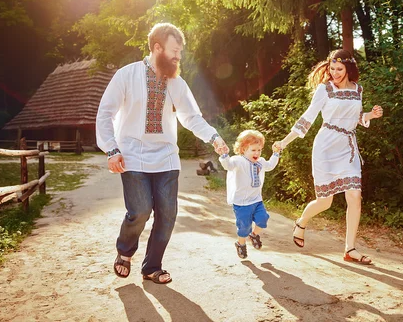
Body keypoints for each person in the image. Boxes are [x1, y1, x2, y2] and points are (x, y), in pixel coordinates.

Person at [96, 22, 229, 284]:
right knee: (141, 211)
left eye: (180, 52)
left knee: (167, 215)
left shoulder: (177, 83)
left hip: (167, 157)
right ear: (157, 48)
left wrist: (214, 136)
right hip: (132, 155)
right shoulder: (127, 75)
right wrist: (111, 149)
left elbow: (191, 117)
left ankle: (152, 267)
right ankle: (124, 252)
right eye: (174, 51)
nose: (178, 57)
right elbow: (105, 113)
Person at [274, 49, 383, 264]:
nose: (335, 73)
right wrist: (284, 141)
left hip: (348, 147)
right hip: (326, 147)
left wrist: (370, 115)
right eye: (332, 68)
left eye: (339, 69)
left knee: (355, 197)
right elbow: (308, 117)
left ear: (349, 69)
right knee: (325, 201)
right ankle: (302, 221)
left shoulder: (357, 90)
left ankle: (350, 249)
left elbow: (354, 117)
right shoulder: (325, 90)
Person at [219, 130, 280, 259]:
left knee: (263, 218)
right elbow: (228, 166)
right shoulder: (238, 161)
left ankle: (254, 235)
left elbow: (270, 166)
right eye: (253, 150)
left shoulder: (260, 161)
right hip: (241, 203)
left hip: (256, 200)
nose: (257, 153)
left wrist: (276, 153)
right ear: (243, 149)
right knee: (244, 227)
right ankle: (241, 244)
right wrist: (224, 155)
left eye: (259, 150)